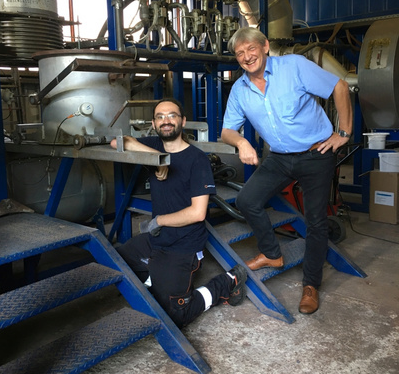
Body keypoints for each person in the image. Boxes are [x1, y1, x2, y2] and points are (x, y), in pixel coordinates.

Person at [221, 27, 352, 315]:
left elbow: (339, 86)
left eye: (251, 49)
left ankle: (311, 285)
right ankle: (272, 254)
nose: (246, 56)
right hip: (279, 157)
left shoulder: (293, 66)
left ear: (265, 46)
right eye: (240, 53)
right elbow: (227, 130)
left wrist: (343, 132)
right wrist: (241, 142)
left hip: (316, 154)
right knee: (247, 200)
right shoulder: (240, 89)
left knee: (316, 221)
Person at [110, 97, 247, 328]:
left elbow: (197, 213)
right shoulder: (154, 146)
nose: (166, 121)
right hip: (158, 241)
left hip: (183, 246)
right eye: (160, 117)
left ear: (182, 121)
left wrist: (159, 221)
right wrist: (158, 161)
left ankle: (227, 282)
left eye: (172, 115)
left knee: (176, 315)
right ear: (153, 124)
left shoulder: (197, 160)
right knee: (115, 261)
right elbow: (118, 142)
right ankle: (158, 281)